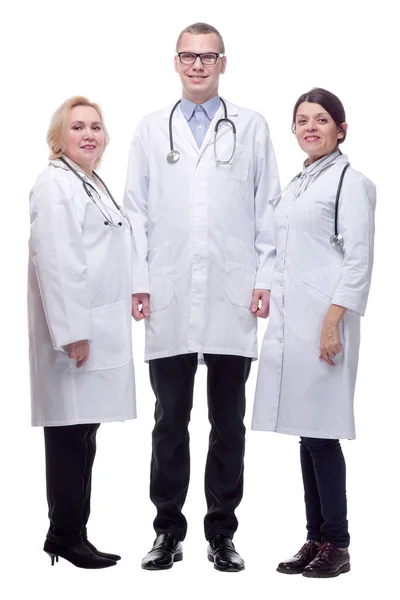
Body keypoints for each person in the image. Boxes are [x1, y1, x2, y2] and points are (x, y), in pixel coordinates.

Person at [123, 22, 279, 572]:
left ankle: (222, 533)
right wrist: (139, 283)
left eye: (207, 57)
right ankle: (167, 530)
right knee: (169, 420)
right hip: (166, 294)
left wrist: (265, 280)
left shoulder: (252, 128)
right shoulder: (149, 130)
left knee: (228, 423)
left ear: (223, 64)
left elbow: (268, 210)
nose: (197, 65)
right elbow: (135, 214)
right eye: (188, 56)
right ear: (175, 62)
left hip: (233, 295)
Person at [252, 88, 376, 578]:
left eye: (321, 120)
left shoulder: (351, 183)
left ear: (340, 129)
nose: (310, 127)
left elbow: (359, 259)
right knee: (308, 436)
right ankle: (315, 537)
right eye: (302, 120)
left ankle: (338, 545)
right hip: (292, 322)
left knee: (322, 437)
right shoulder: (301, 182)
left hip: (325, 324)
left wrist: (331, 323)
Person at [28, 96, 136, 569]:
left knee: (85, 433)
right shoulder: (55, 185)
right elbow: (58, 262)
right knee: (70, 437)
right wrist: (73, 332)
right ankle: (64, 535)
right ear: (59, 137)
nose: (88, 134)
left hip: (99, 327)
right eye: (77, 127)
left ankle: (75, 533)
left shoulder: (89, 183)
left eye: (95, 126)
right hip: (73, 335)